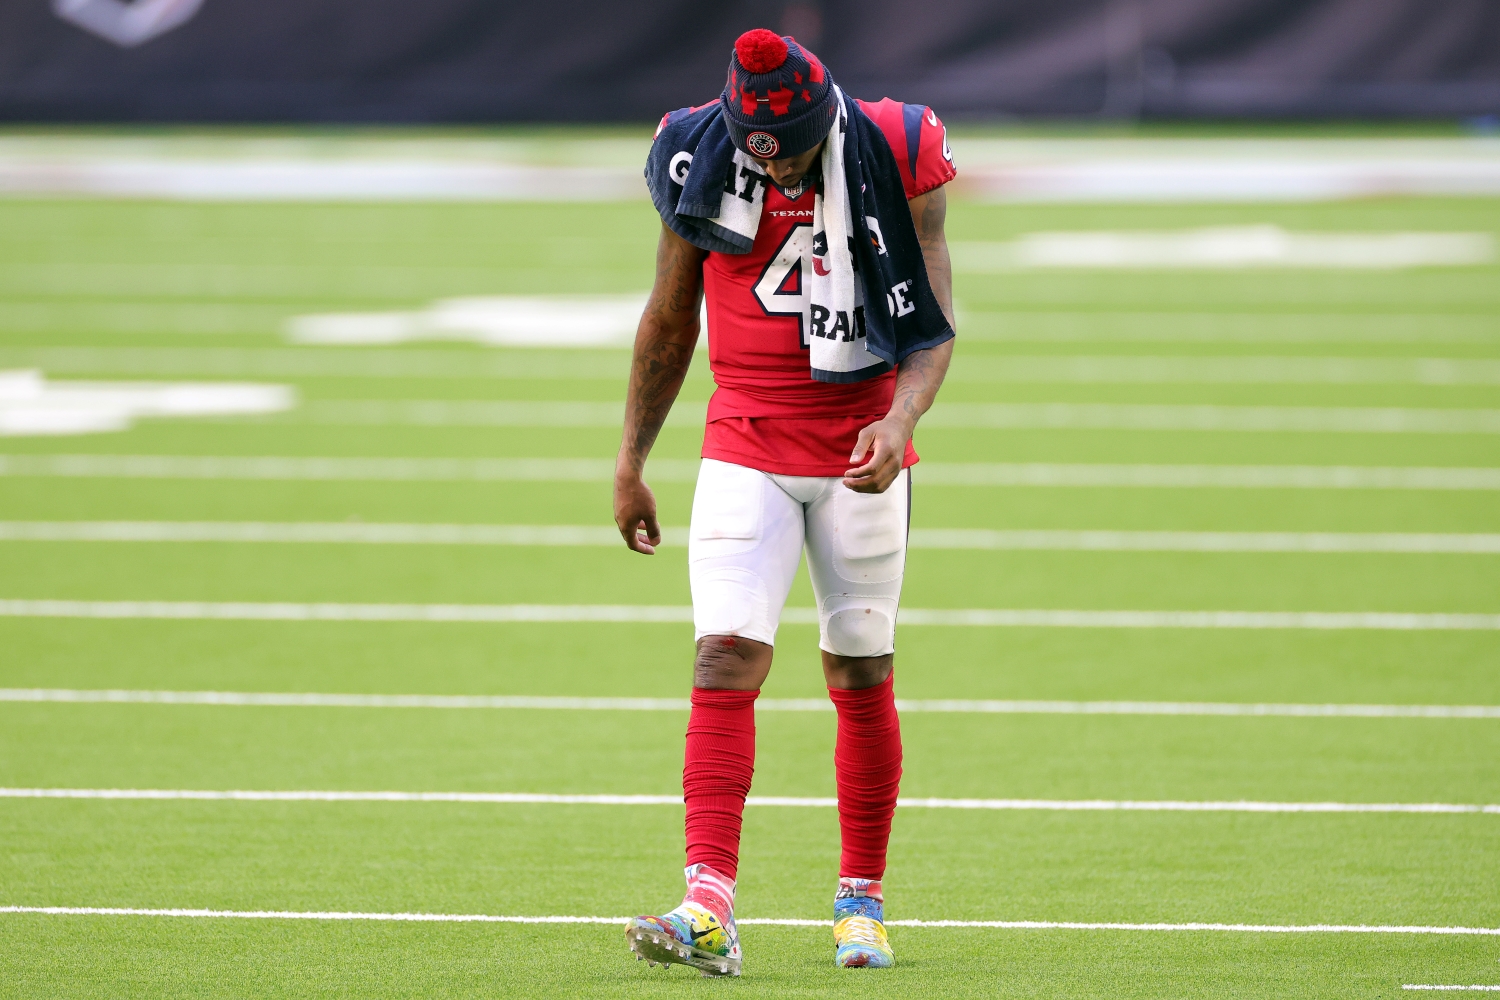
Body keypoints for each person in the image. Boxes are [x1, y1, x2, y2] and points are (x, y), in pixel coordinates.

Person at [614, 28, 955, 976]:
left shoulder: (894, 144)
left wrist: (901, 417)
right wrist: (632, 455)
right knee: (724, 653)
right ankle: (708, 902)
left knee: (859, 669)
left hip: (860, 445)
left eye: (797, 156)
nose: (781, 171)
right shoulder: (697, 149)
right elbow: (669, 313)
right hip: (745, 441)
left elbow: (932, 316)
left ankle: (861, 900)